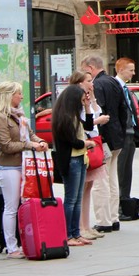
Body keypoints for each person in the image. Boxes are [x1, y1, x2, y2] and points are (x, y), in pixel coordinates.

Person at [0, 81, 48, 258]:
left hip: (23, 163)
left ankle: (25, 243)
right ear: (9, 96)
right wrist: (31, 145)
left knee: (24, 204)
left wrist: (40, 141)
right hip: (8, 166)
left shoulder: (19, 116)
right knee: (11, 206)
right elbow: (6, 145)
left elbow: (30, 133)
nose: (21, 97)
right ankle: (11, 246)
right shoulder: (0, 118)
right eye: (18, 94)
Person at [80, 55, 125, 233]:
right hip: (117, 138)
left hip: (103, 139)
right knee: (112, 180)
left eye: (85, 72)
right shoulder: (114, 82)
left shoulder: (97, 85)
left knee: (100, 181)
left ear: (91, 68)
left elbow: (97, 114)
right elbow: (124, 109)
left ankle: (104, 220)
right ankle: (114, 218)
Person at [51, 84, 96, 247]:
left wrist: (88, 107)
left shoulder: (74, 115)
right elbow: (73, 142)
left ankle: (76, 233)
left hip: (80, 159)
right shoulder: (64, 118)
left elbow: (89, 126)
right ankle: (68, 235)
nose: (82, 102)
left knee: (77, 199)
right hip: (71, 160)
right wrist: (87, 143)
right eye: (81, 100)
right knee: (71, 199)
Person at [72, 70, 110, 241]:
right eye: (88, 81)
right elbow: (83, 123)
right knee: (82, 188)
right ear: (79, 82)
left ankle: (86, 225)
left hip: (94, 140)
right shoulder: (74, 100)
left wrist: (92, 97)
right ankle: (80, 226)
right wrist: (97, 121)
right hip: (85, 142)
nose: (91, 83)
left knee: (88, 187)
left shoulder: (87, 98)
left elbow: (96, 110)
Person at [113, 57, 139, 221]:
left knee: (127, 171)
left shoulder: (127, 89)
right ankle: (119, 206)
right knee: (120, 171)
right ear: (121, 70)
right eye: (130, 70)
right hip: (122, 134)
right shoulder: (115, 87)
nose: (133, 73)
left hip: (130, 134)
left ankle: (126, 202)